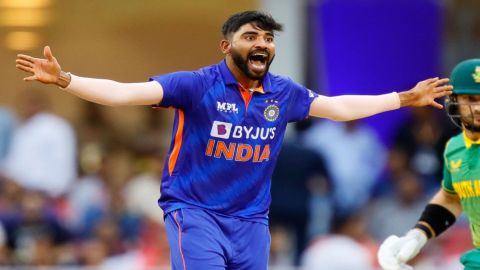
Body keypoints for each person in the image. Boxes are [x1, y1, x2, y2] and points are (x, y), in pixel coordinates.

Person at [15, 10, 452, 270]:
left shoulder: (285, 93)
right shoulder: (195, 85)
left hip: (251, 223)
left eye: (267, 38)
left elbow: (339, 108)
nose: (262, 44)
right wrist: (66, 79)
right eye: (251, 37)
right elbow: (124, 93)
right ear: (227, 46)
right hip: (195, 213)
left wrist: (404, 98)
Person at [377, 58, 480, 270]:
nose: (478, 108)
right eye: (470, 98)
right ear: (453, 102)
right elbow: (451, 198)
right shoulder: (455, 147)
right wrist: (418, 235)